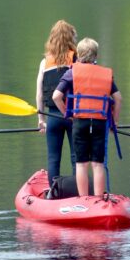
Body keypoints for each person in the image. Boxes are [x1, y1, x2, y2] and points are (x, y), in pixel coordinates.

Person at [52, 37, 122, 197]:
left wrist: (66, 114)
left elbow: (56, 96)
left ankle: (84, 199)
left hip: (80, 122)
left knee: (81, 164)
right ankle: (98, 199)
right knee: (98, 164)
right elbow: (118, 98)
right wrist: (114, 122)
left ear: (79, 54)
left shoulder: (71, 73)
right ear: (95, 56)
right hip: (99, 122)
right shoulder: (105, 74)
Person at [36, 19, 77, 188]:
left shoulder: (44, 62)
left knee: (53, 158)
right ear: (70, 38)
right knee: (77, 158)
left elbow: (39, 93)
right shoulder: (76, 58)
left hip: (52, 116)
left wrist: (41, 119)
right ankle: (79, 194)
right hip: (74, 116)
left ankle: (53, 193)